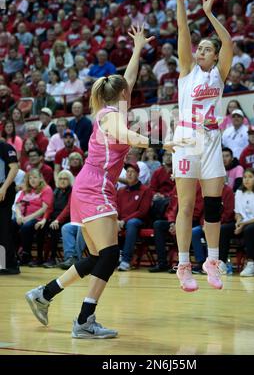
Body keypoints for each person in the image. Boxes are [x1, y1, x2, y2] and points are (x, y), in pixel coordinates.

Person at [25, 25, 177, 339]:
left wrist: (136, 50)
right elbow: (125, 136)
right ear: (122, 95)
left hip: (91, 186)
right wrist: (161, 143)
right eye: (128, 90)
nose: (131, 91)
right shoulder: (109, 116)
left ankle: (45, 293)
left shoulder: (115, 106)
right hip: (94, 187)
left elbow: (129, 78)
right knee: (109, 255)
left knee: (96, 256)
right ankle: (84, 320)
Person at [171, 0, 233, 292]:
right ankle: (184, 264)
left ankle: (211, 260)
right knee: (185, 205)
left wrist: (209, 13)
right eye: (202, 48)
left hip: (211, 140)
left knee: (212, 207)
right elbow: (183, 31)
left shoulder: (219, 75)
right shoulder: (187, 72)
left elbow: (229, 44)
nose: (203, 51)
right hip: (186, 138)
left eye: (208, 49)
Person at [219, 168, 254, 277]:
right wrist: (238, 222)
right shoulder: (239, 192)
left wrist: (244, 224)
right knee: (224, 229)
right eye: (244, 177)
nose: (246, 180)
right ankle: (222, 263)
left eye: (250, 177)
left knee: (250, 229)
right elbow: (238, 213)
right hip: (245, 223)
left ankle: (251, 264)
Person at [0, 140, 19, 275]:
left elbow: (14, 168)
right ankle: (2, 263)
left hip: (4, 190)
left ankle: (11, 264)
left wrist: (3, 188)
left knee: (3, 228)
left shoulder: (5, 147)